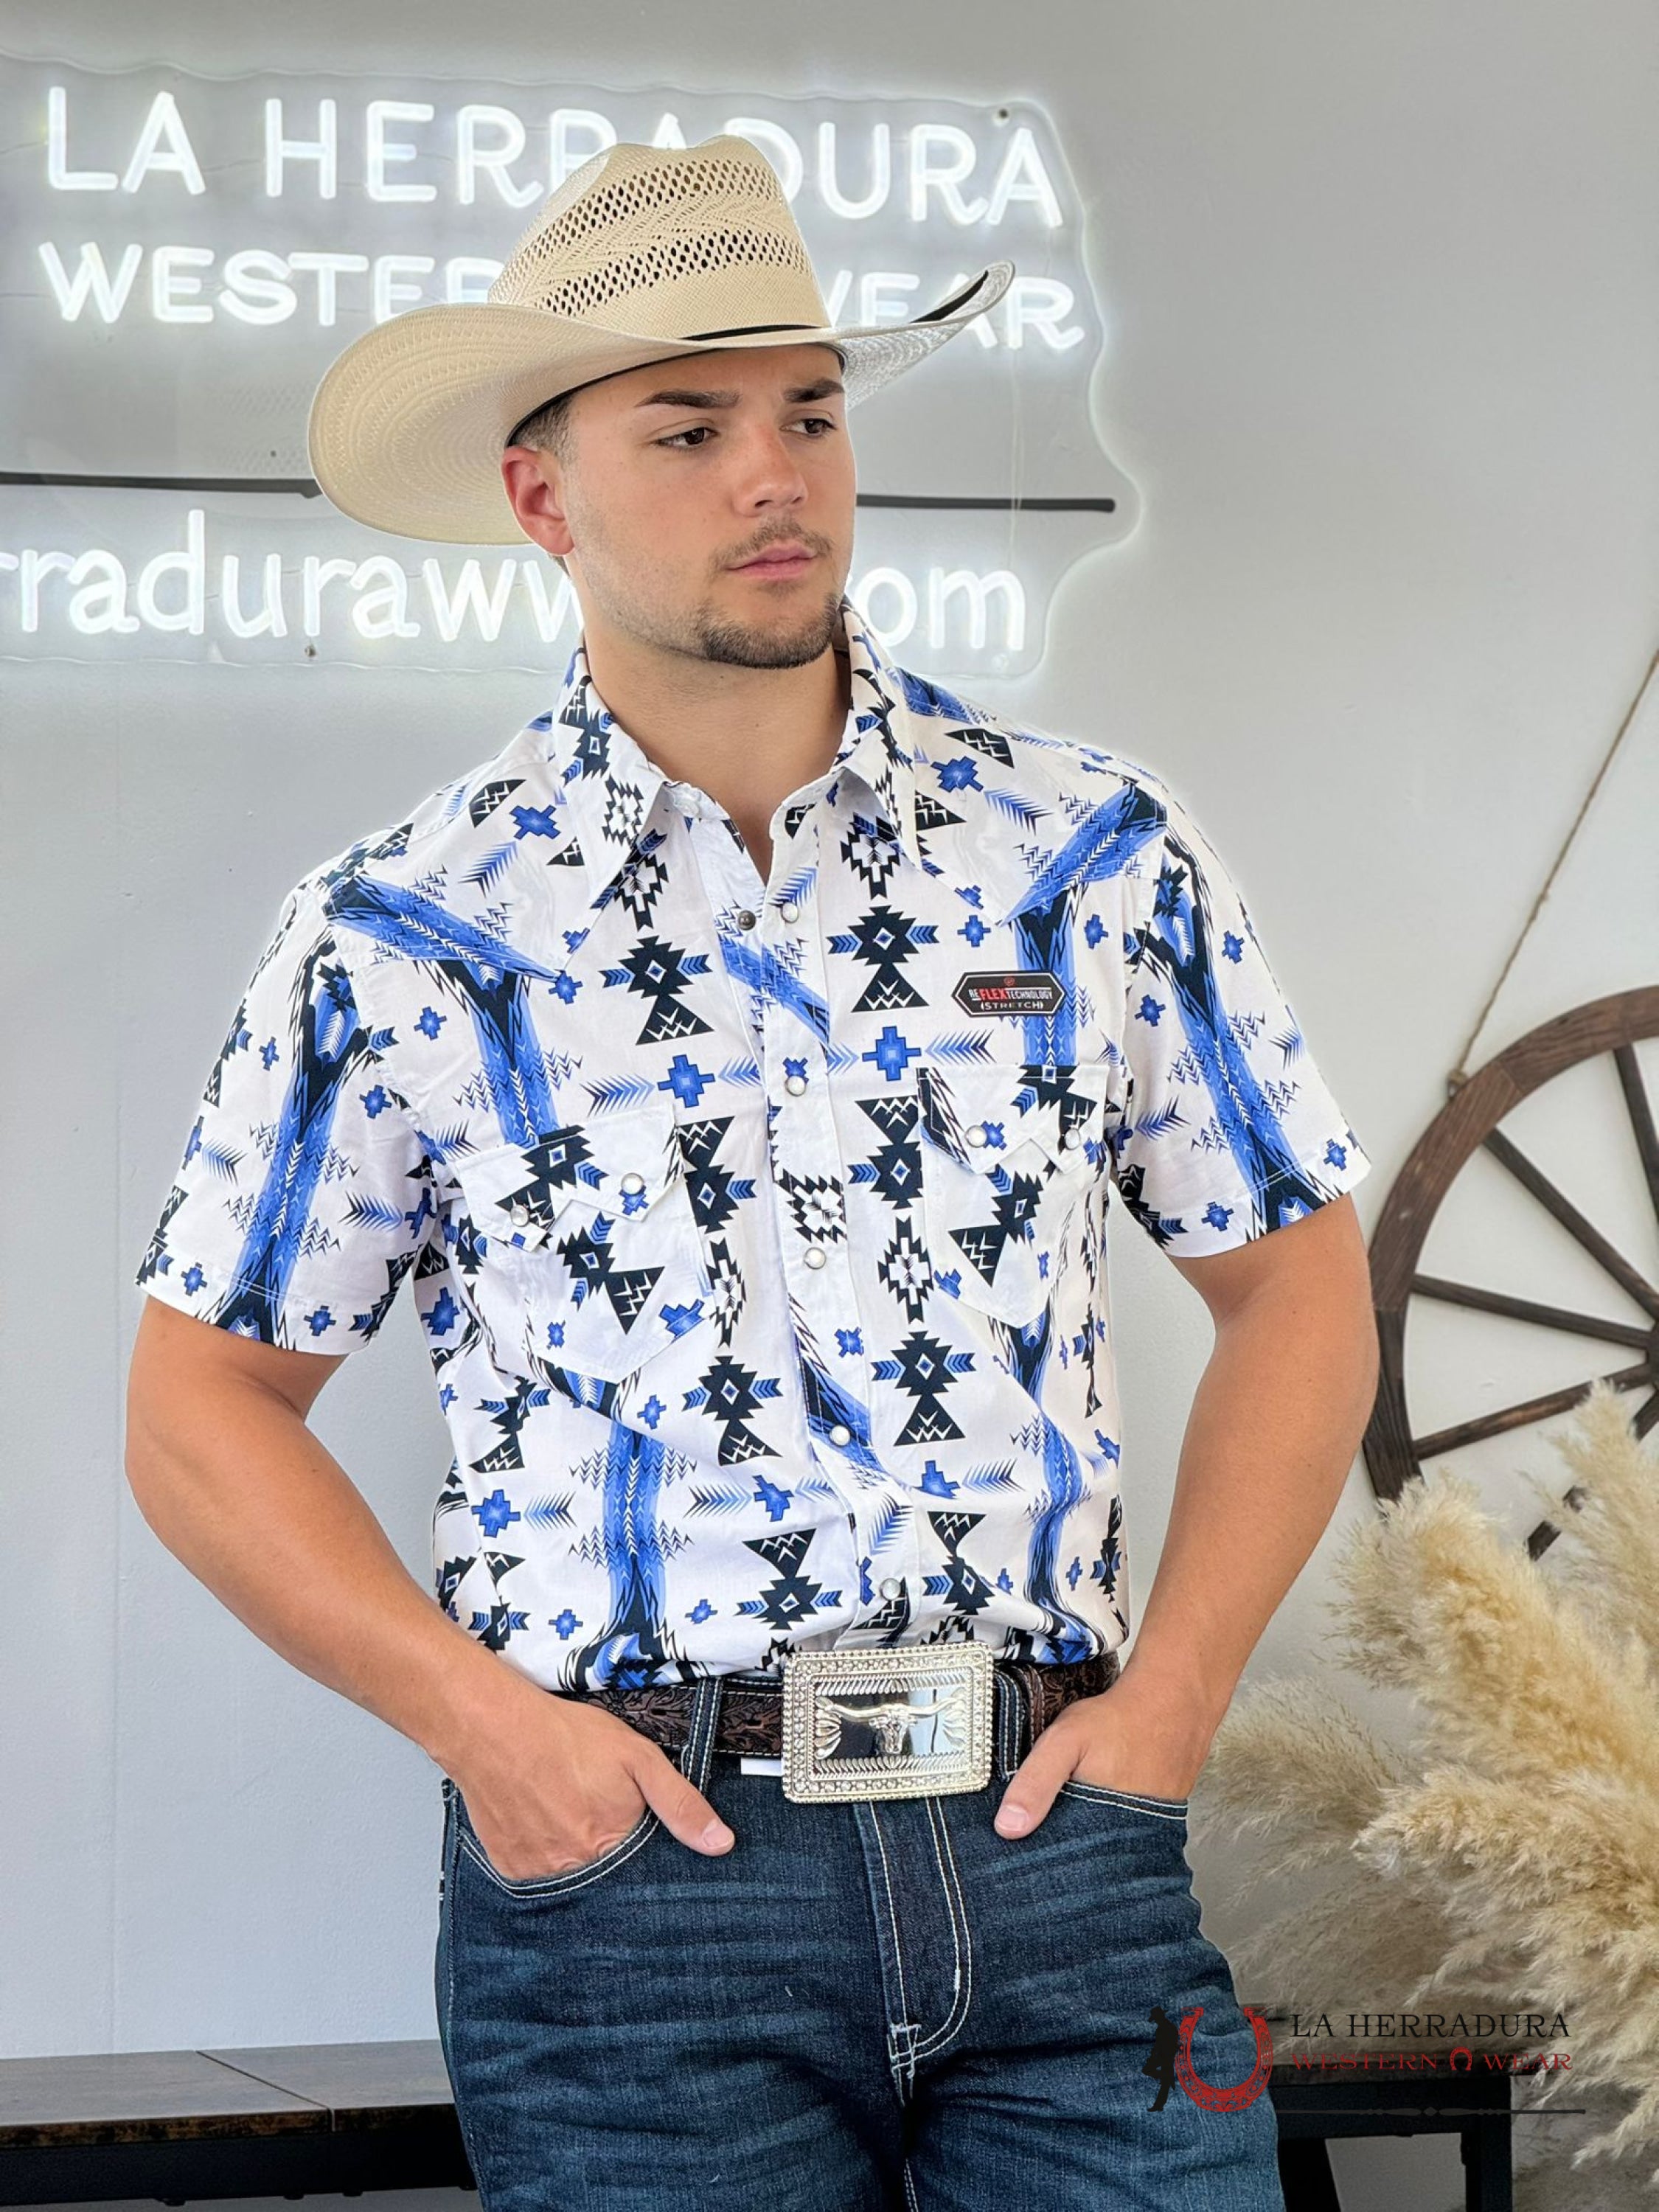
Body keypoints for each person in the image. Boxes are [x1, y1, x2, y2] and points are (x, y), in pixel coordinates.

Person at [127, 135, 1378, 2212]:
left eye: (808, 412)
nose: (772, 475)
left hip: (1061, 1851)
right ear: (543, 497)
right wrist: (491, 1736)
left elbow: (1297, 1279)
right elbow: (200, 1405)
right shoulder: (406, 929)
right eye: (688, 428)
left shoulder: (1086, 852)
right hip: (640, 1897)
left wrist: (1176, 1700)